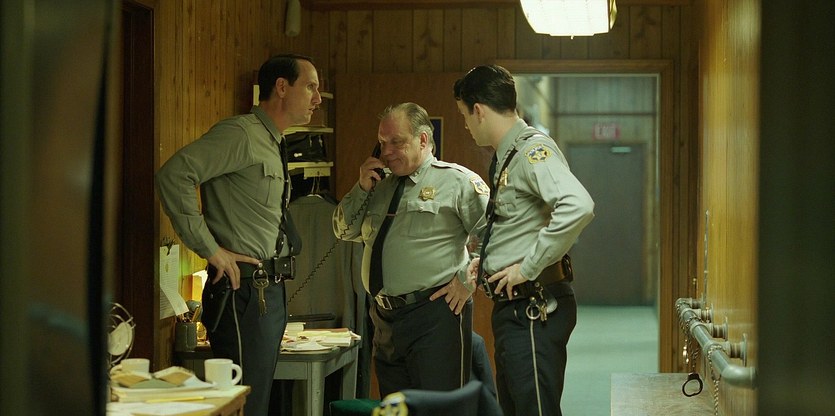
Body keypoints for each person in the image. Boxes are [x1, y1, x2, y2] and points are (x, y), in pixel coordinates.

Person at [155, 53, 322, 415]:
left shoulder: (273, 140)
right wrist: (210, 249)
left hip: (267, 291)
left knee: (256, 403)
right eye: (310, 87)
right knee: (245, 407)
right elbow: (174, 175)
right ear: (281, 87)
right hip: (242, 291)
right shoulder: (241, 133)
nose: (317, 98)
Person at [454, 64, 595, 416]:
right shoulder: (508, 155)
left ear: (478, 110)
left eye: (464, 116)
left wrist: (527, 267)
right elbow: (517, 222)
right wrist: (487, 260)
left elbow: (578, 206)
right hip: (515, 309)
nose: (466, 125)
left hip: (533, 306)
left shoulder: (532, 151)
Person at [332, 102, 489, 397]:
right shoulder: (378, 186)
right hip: (384, 319)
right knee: (397, 407)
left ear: (423, 140)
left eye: (396, 142)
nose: (387, 151)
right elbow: (343, 231)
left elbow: (495, 236)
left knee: (440, 406)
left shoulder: (457, 181)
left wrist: (468, 280)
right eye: (382, 143)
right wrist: (361, 188)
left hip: (434, 314)